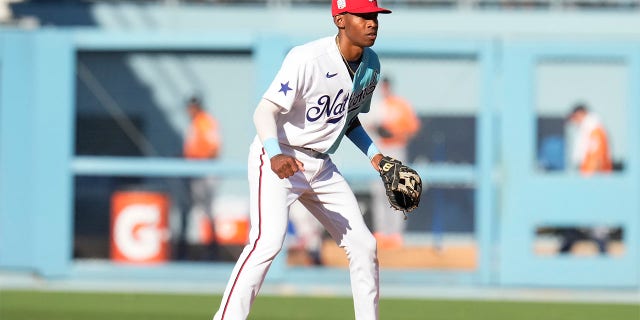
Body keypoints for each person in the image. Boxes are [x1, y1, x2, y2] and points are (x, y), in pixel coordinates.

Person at [212, 1, 392, 319]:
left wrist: (375, 156)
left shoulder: (372, 65)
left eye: (375, 16)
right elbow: (264, 110)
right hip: (280, 156)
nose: (372, 22)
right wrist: (274, 153)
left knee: (364, 245)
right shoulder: (307, 58)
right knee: (267, 243)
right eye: (363, 15)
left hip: (321, 166)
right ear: (340, 19)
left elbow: (347, 120)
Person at [365, 77, 420, 249]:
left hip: (397, 149)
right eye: (384, 85)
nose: (385, 88)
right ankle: (381, 233)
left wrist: (395, 132)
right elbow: (368, 125)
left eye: (387, 85)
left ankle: (396, 234)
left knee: (397, 191)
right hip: (380, 150)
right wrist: (379, 129)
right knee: (379, 191)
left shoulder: (401, 105)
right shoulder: (378, 106)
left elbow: (412, 129)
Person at [560, 103, 612, 254]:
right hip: (587, 181)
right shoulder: (588, 130)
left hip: (593, 182)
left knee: (594, 222)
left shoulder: (595, 130)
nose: (574, 122)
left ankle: (567, 248)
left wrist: (589, 184)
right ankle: (567, 246)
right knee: (584, 219)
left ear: (581, 113)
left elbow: (596, 158)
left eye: (575, 117)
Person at [182, 96, 221, 258]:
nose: (189, 110)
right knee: (191, 209)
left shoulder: (205, 122)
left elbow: (213, 149)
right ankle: (191, 250)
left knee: (206, 210)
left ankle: (211, 251)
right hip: (194, 171)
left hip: (203, 172)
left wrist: (200, 164)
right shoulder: (196, 122)